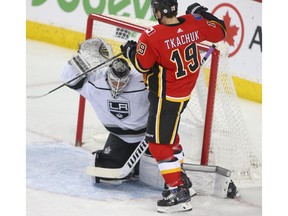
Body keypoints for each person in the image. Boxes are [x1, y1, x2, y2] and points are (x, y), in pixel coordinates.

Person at [120, 1, 226, 213]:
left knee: (158, 144)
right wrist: (202, 13)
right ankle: (181, 180)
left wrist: (130, 50)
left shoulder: (152, 35)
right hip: (184, 92)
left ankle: (178, 193)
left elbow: (142, 65)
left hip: (165, 98)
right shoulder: (193, 22)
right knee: (170, 137)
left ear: (158, 12)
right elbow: (220, 32)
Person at [60, 37, 149, 183]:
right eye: (114, 81)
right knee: (106, 169)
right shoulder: (96, 82)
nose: (118, 85)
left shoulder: (142, 81)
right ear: (108, 75)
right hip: (119, 137)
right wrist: (81, 57)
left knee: (156, 175)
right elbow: (67, 76)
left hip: (148, 138)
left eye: (123, 82)